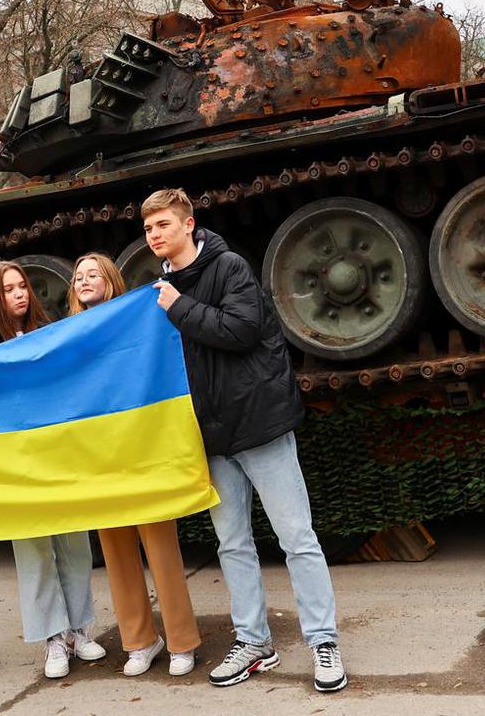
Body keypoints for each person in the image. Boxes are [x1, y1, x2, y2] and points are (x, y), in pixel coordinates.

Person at [143, 188, 347, 693]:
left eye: (163, 224)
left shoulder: (228, 267)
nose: (154, 235)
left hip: (258, 423)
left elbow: (242, 329)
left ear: (189, 224)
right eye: (148, 229)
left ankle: (324, 642)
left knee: (297, 538)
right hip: (211, 434)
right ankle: (254, 642)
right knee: (232, 544)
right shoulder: (160, 289)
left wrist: (179, 306)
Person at [0, 260, 107, 680]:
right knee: (34, 551)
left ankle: (79, 629)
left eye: (22, 286)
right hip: (16, 461)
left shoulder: (50, 330)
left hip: (56, 453)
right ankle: (52, 637)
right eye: (9, 289)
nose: (20, 294)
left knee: (74, 543)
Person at [68, 253, 201, 678]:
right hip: (100, 457)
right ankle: (141, 641)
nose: (84, 280)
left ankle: (182, 641)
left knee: (160, 548)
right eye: (77, 277)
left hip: (142, 452)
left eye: (93, 274)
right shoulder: (67, 334)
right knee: (117, 553)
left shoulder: (137, 318)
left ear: (110, 280)